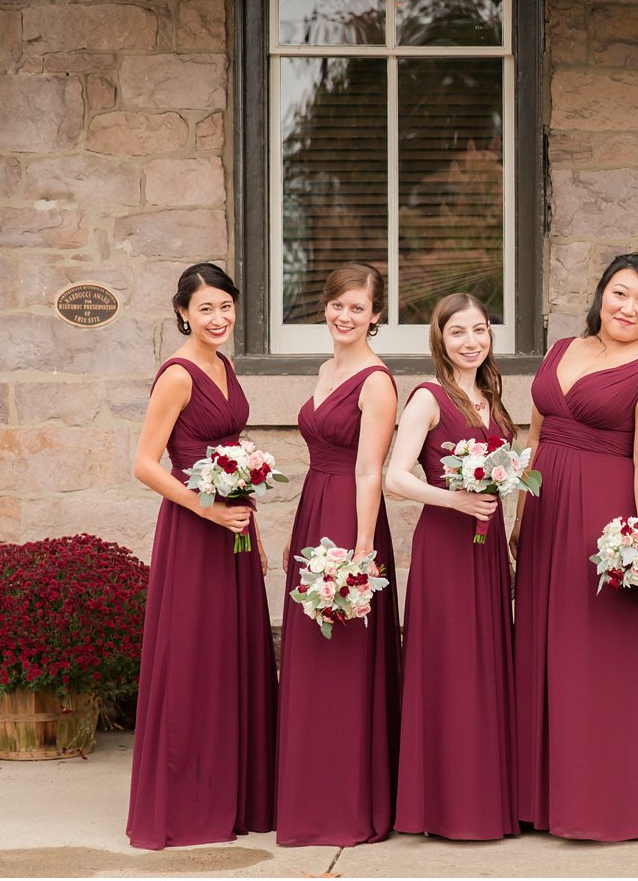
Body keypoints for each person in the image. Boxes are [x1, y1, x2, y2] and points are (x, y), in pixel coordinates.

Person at [513, 253, 638, 841]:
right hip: (544, 506)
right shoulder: (561, 349)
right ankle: (539, 800)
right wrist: (518, 512)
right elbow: (533, 436)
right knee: (540, 645)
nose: (629, 309)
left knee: (595, 655)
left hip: (603, 518)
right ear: (601, 293)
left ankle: (601, 803)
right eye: (620, 293)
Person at [126, 263, 276, 849]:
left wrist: (251, 531)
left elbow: (233, 451)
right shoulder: (179, 374)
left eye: (226, 307)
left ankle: (231, 793)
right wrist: (206, 510)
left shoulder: (225, 365)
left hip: (235, 529)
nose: (218, 319)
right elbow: (143, 464)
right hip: (195, 532)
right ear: (183, 313)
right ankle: (186, 806)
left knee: (231, 658)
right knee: (194, 661)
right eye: (205, 309)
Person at [274, 263, 400, 846]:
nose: (344, 316)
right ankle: (307, 801)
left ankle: (346, 807)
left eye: (358, 307)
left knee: (346, 666)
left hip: (352, 523)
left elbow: (370, 469)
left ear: (376, 315)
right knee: (309, 663)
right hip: (313, 514)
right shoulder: (326, 368)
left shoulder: (376, 380)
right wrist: (295, 535)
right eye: (336, 304)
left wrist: (362, 556)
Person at [385, 294, 518, 840]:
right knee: (451, 668)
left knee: (485, 666)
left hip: (486, 550)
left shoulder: (492, 395)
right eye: (458, 331)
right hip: (445, 545)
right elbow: (396, 477)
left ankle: (488, 799)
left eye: (480, 330)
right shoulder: (428, 397)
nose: (471, 341)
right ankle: (443, 807)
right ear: (440, 339)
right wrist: (453, 499)